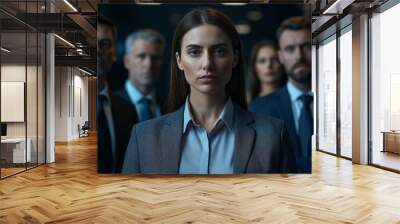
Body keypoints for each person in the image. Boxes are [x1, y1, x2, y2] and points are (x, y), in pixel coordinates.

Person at [122, 8, 296, 174]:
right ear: (179, 60)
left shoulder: (272, 134)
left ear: (234, 58)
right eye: (195, 52)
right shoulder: (143, 137)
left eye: (219, 51)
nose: (207, 64)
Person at [249, 17, 313, 173]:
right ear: (281, 56)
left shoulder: (341, 104)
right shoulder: (258, 110)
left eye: (306, 47)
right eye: (290, 49)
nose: (299, 56)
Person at [97, 16, 137, 173]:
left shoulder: (127, 110)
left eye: (105, 43)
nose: (98, 50)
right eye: (93, 42)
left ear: (114, 53)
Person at [117, 29, 165, 121]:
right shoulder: (109, 106)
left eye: (155, 58)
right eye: (141, 56)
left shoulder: (170, 106)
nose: (149, 64)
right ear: (127, 61)